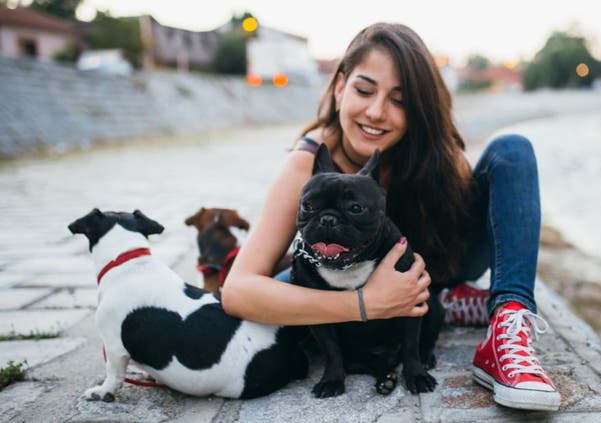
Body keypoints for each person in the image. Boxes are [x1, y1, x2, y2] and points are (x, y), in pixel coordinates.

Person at [222, 22, 560, 411]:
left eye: (400, 100)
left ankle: (506, 328)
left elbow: (491, 219)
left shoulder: (434, 152)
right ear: (339, 88)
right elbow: (239, 290)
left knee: (512, 148)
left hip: (445, 263)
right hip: (347, 277)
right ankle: (451, 302)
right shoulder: (307, 165)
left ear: (418, 109)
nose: (377, 112)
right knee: (283, 288)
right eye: (364, 91)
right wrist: (367, 303)